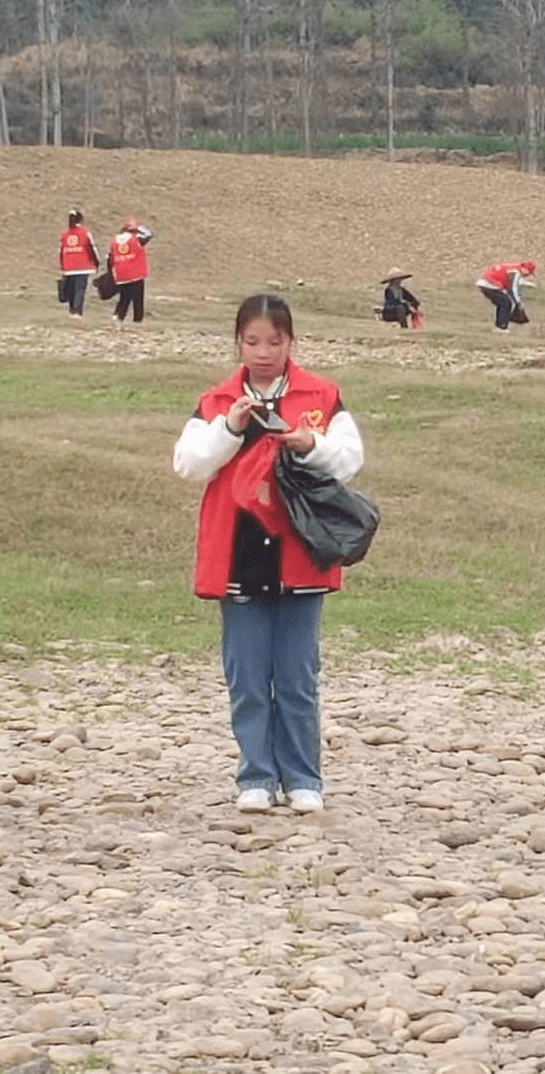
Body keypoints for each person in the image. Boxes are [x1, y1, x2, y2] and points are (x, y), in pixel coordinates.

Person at [172, 293, 365, 814]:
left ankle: (304, 777)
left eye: (274, 342)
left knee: (299, 674)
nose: (262, 352)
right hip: (237, 552)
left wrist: (311, 446)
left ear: (291, 342)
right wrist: (231, 428)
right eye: (252, 342)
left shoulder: (321, 394)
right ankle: (255, 774)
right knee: (248, 674)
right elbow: (188, 464)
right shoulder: (216, 401)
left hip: (301, 550)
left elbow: (350, 459)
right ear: (237, 343)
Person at [108, 217, 155, 325]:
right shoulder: (136, 239)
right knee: (138, 299)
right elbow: (149, 234)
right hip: (135, 273)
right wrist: (139, 227)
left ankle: (118, 316)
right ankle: (137, 320)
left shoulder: (114, 240)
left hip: (121, 273)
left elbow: (110, 258)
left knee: (124, 297)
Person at [57, 207, 99, 317]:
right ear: (80, 220)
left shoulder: (64, 233)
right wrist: (96, 262)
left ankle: (72, 310)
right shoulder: (85, 232)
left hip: (68, 267)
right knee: (80, 290)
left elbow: (60, 250)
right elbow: (92, 248)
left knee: (71, 289)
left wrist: (62, 265)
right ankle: (77, 311)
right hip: (83, 266)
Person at [478, 259, 536, 333]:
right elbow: (513, 288)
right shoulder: (515, 272)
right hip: (490, 285)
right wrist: (518, 301)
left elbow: (511, 280)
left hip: (484, 283)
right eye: (529, 273)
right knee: (506, 303)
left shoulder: (513, 268)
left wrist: (526, 283)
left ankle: (500, 325)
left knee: (503, 303)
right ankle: (501, 327)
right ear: (525, 270)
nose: (528, 275)